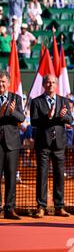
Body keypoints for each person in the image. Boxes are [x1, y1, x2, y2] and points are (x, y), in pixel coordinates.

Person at [30, 74, 73, 218]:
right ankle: (41, 207)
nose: (51, 85)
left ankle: (59, 206)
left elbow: (71, 120)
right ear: (44, 85)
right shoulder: (36, 102)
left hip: (59, 144)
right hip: (43, 144)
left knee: (59, 175)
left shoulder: (64, 101)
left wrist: (62, 116)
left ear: (57, 85)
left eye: (53, 82)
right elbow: (34, 122)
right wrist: (48, 116)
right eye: (48, 82)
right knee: (42, 175)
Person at [0, 71, 25, 219]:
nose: (1, 84)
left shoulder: (16, 98)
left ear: (8, 83)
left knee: (10, 177)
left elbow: (21, 118)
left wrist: (12, 112)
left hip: (12, 143)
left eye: (3, 81)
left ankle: (9, 208)